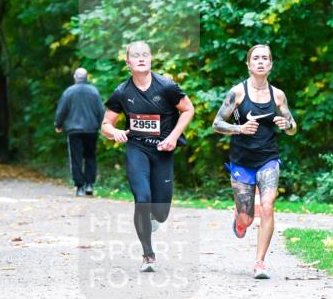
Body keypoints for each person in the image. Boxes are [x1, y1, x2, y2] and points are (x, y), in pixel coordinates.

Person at [102, 42, 195, 272]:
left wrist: (173, 137)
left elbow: (188, 109)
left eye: (145, 55)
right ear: (128, 63)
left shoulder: (166, 87)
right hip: (137, 148)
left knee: (161, 213)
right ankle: (148, 255)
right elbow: (105, 124)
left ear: (151, 59)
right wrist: (115, 132)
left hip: (163, 150)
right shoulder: (122, 92)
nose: (141, 58)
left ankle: (154, 219)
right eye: (136, 55)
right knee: (142, 199)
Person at [212, 44, 298, 279]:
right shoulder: (237, 93)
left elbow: (293, 128)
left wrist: (286, 124)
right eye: (256, 58)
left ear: (270, 65)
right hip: (241, 162)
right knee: (246, 218)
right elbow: (217, 123)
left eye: (265, 58)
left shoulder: (278, 95)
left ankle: (260, 262)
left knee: (268, 204)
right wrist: (239, 129)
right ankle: (239, 220)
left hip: (268, 159)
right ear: (249, 65)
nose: (260, 61)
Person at [55, 68, 107, 196]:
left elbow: (61, 110)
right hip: (91, 129)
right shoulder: (94, 92)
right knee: (90, 156)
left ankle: (79, 187)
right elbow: (101, 111)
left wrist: (58, 124)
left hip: (74, 130)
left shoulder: (69, 92)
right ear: (86, 77)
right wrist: (104, 125)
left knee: (76, 158)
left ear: (75, 77)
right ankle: (89, 185)